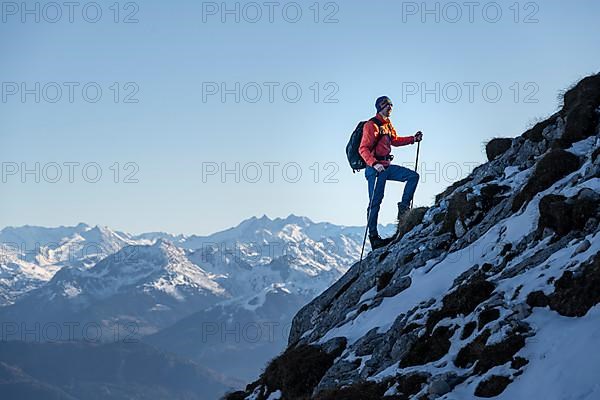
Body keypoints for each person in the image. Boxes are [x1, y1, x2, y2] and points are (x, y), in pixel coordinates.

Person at [359, 96, 423, 250]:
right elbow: (363, 148)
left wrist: (413, 139)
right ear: (379, 107)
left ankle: (403, 211)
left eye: (391, 105)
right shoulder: (371, 125)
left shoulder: (388, 125)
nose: (390, 107)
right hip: (375, 170)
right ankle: (374, 238)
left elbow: (395, 140)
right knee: (375, 202)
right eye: (386, 105)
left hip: (386, 167)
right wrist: (374, 164)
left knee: (413, 176)